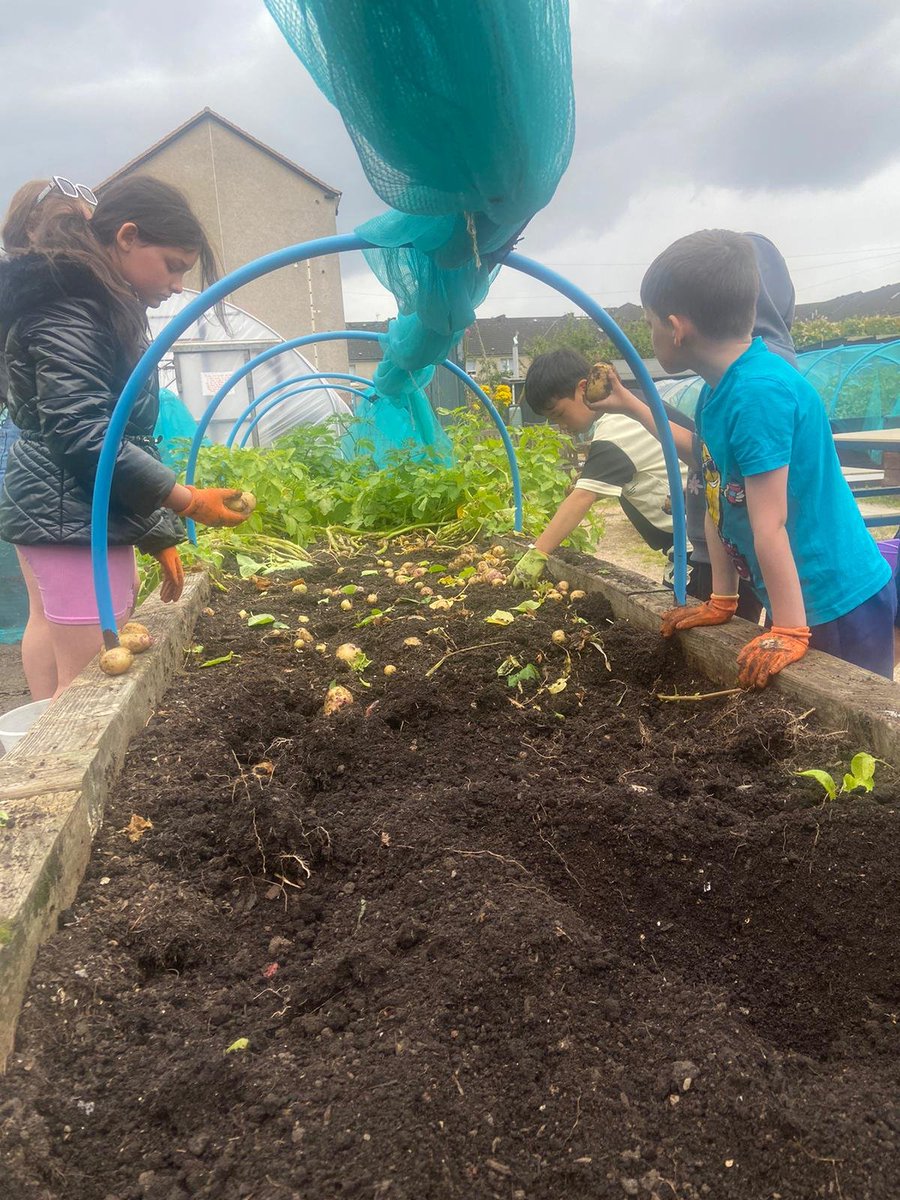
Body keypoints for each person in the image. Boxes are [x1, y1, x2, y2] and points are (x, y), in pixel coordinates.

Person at [586, 229, 894, 686]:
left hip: (837, 601)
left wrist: (787, 627)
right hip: (803, 602)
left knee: (846, 738)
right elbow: (711, 471)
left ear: (675, 327)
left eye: (650, 323)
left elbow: (767, 523)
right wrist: (722, 601)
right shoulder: (720, 390)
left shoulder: (757, 394)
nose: (650, 334)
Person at [0, 175, 252, 700]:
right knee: (90, 682)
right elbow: (85, 434)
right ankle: (63, 774)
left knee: (51, 628)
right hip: (68, 513)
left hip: (55, 503)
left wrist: (157, 533)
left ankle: (46, 760)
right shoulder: (75, 309)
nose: (179, 284)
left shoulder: (76, 299)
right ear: (128, 237)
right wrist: (183, 500)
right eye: (174, 265)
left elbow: (103, 436)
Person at [508, 348, 678, 588]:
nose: (561, 426)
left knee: (685, 616)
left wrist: (539, 552)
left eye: (559, 414)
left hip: (700, 546)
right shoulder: (632, 406)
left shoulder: (618, 427)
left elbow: (582, 497)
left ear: (582, 388)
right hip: (697, 542)